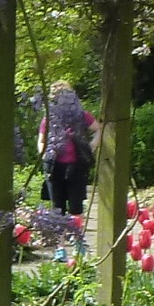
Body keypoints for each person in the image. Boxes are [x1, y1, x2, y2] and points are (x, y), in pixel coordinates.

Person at [38, 82, 96, 219]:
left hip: (77, 167)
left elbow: (98, 130)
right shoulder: (49, 118)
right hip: (55, 167)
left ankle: (76, 238)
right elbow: (41, 141)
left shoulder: (81, 115)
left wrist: (90, 147)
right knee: (57, 209)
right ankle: (61, 240)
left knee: (76, 208)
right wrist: (45, 154)